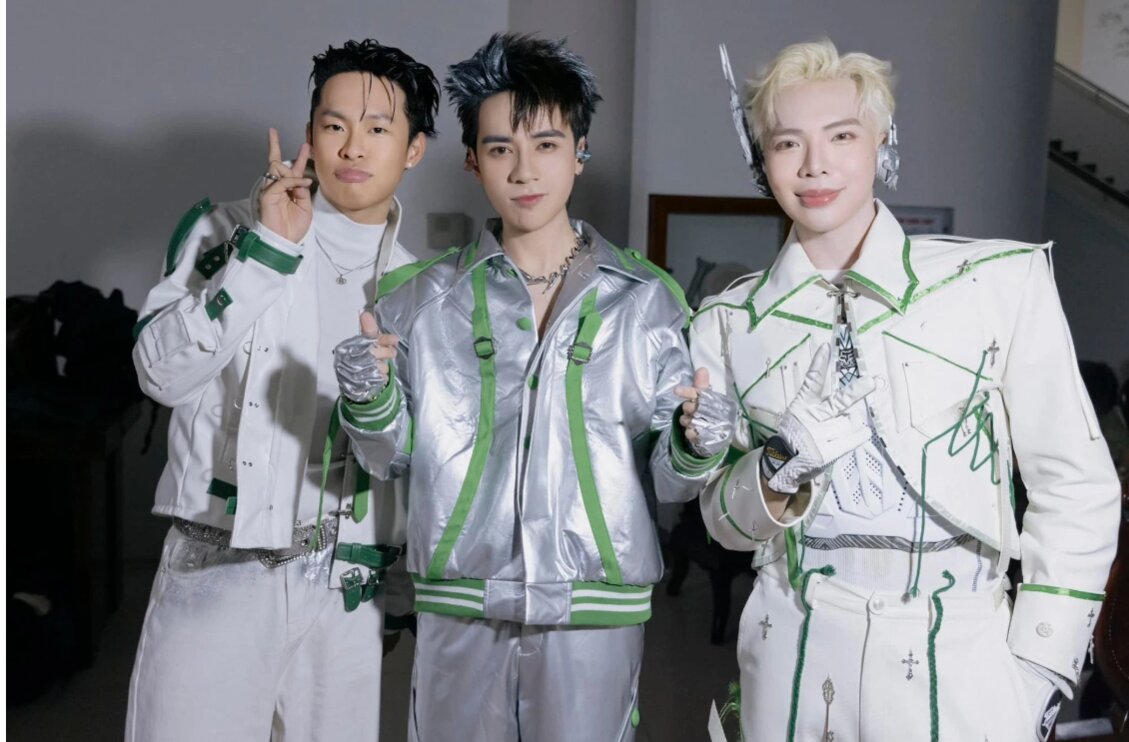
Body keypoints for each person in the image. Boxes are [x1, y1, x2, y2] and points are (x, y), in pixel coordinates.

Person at [693, 39, 1120, 742]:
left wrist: (1039, 666)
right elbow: (723, 526)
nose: (814, 164)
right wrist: (775, 467)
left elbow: (1076, 486)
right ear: (760, 159)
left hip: (962, 662)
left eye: (841, 136)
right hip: (790, 657)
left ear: (882, 143)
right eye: (787, 143)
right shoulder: (728, 322)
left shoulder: (995, 285)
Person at [332, 32, 732, 742]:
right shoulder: (418, 300)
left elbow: (670, 483)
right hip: (458, 603)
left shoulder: (646, 301)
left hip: (597, 609)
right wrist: (369, 400)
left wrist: (698, 442)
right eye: (500, 149)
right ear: (472, 160)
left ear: (579, 151)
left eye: (546, 144)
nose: (524, 170)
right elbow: (385, 458)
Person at [126, 39, 439, 742]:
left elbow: (408, 459)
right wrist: (266, 253)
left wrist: (392, 588)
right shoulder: (227, 230)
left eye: (378, 128)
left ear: (414, 148)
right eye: (334, 125)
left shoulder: (419, 288)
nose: (352, 147)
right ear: (309, 133)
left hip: (346, 590)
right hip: (218, 562)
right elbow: (159, 374)